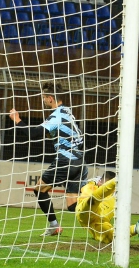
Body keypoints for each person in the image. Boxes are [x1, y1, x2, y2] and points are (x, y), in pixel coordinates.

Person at [8, 82, 88, 236]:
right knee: (73, 206)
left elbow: (33, 134)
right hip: (79, 160)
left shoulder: (56, 116)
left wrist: (17, 120)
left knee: (39, 190)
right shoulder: (67, 111)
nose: (43, 100)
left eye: (44, 98)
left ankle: (54, 226)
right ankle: (100, 199)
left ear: (50, 98)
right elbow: (60, 133)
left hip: (65, 160)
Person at [73, 171, 139, 244]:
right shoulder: (92, 186)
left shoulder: (112, 198)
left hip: (95, 220)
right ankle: (115, 180)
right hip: (90, 212)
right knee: (92, 200)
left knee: (111, 236)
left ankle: (136, 228)